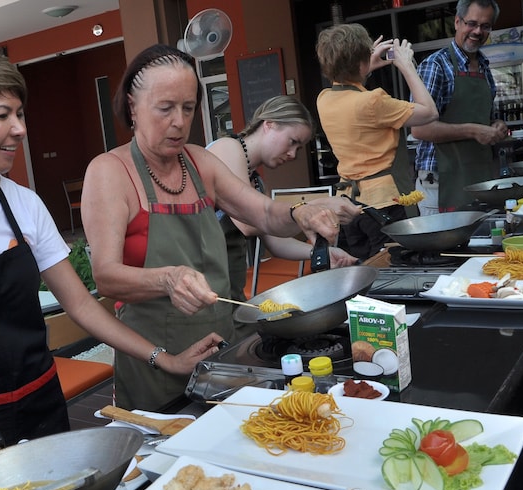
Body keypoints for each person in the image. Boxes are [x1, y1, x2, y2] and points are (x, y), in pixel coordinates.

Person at [0, 44, 223, 465]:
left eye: (20, 114)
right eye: (2, 116)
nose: (20, 129)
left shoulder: (24, 205)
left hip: (39, 404)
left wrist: (163, 359)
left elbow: (81, 304)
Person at [80, 44, 361, 412]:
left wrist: (300, 214)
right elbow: (105, 277)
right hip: (156, 359)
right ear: (133, 106)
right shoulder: (109, 172)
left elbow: (262, 213)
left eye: (188, 107)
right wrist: (167, 278)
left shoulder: (200, 162)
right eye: (165, 108)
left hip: (220, 347)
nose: (179, 122)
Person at [206, 95, 358, 317]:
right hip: (202, 293)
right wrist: (315, 206)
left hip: (228, 293)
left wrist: (323, 253)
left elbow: (275, 242)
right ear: (269, 124)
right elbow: (248, 222)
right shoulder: (227, 148)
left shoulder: (257, 181)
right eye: (292, 141)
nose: (293, 154)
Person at [316, 24, 439, 259]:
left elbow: (348, 88)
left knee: (366, 269)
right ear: (361, 62)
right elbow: (429, 112)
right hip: (385, 204)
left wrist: (363, 64)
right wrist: (406, 66)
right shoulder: (374, 101)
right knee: (393, 268)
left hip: (349, 205)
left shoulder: (324, 99)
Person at [411, 0, 507, 215]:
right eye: (471, 23)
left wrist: (496, 126)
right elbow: (419, 129)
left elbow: (484, 118)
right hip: (441, 180)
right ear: (457, 22)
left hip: (480, 177)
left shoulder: (484, 67)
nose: (477, 31)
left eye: (485, 26)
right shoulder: (434, 65)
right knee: (444, 248)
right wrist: (473, 131)